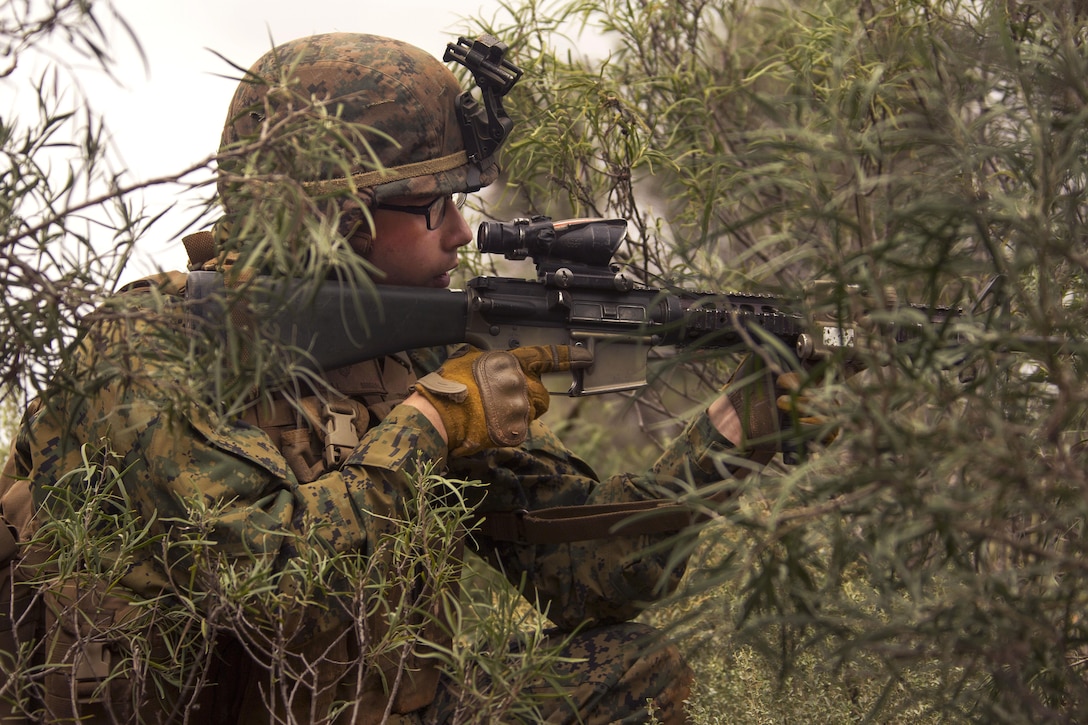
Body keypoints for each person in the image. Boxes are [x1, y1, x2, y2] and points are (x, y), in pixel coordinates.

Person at [0, 32, 796, 724]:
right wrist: (433, 424)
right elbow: (261, 589)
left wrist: (736, 435)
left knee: (631, 669)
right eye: (435, 204)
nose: (460, 232)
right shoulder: (146, 349)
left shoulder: (411, 348)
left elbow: (589, 577)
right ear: (339, 215)